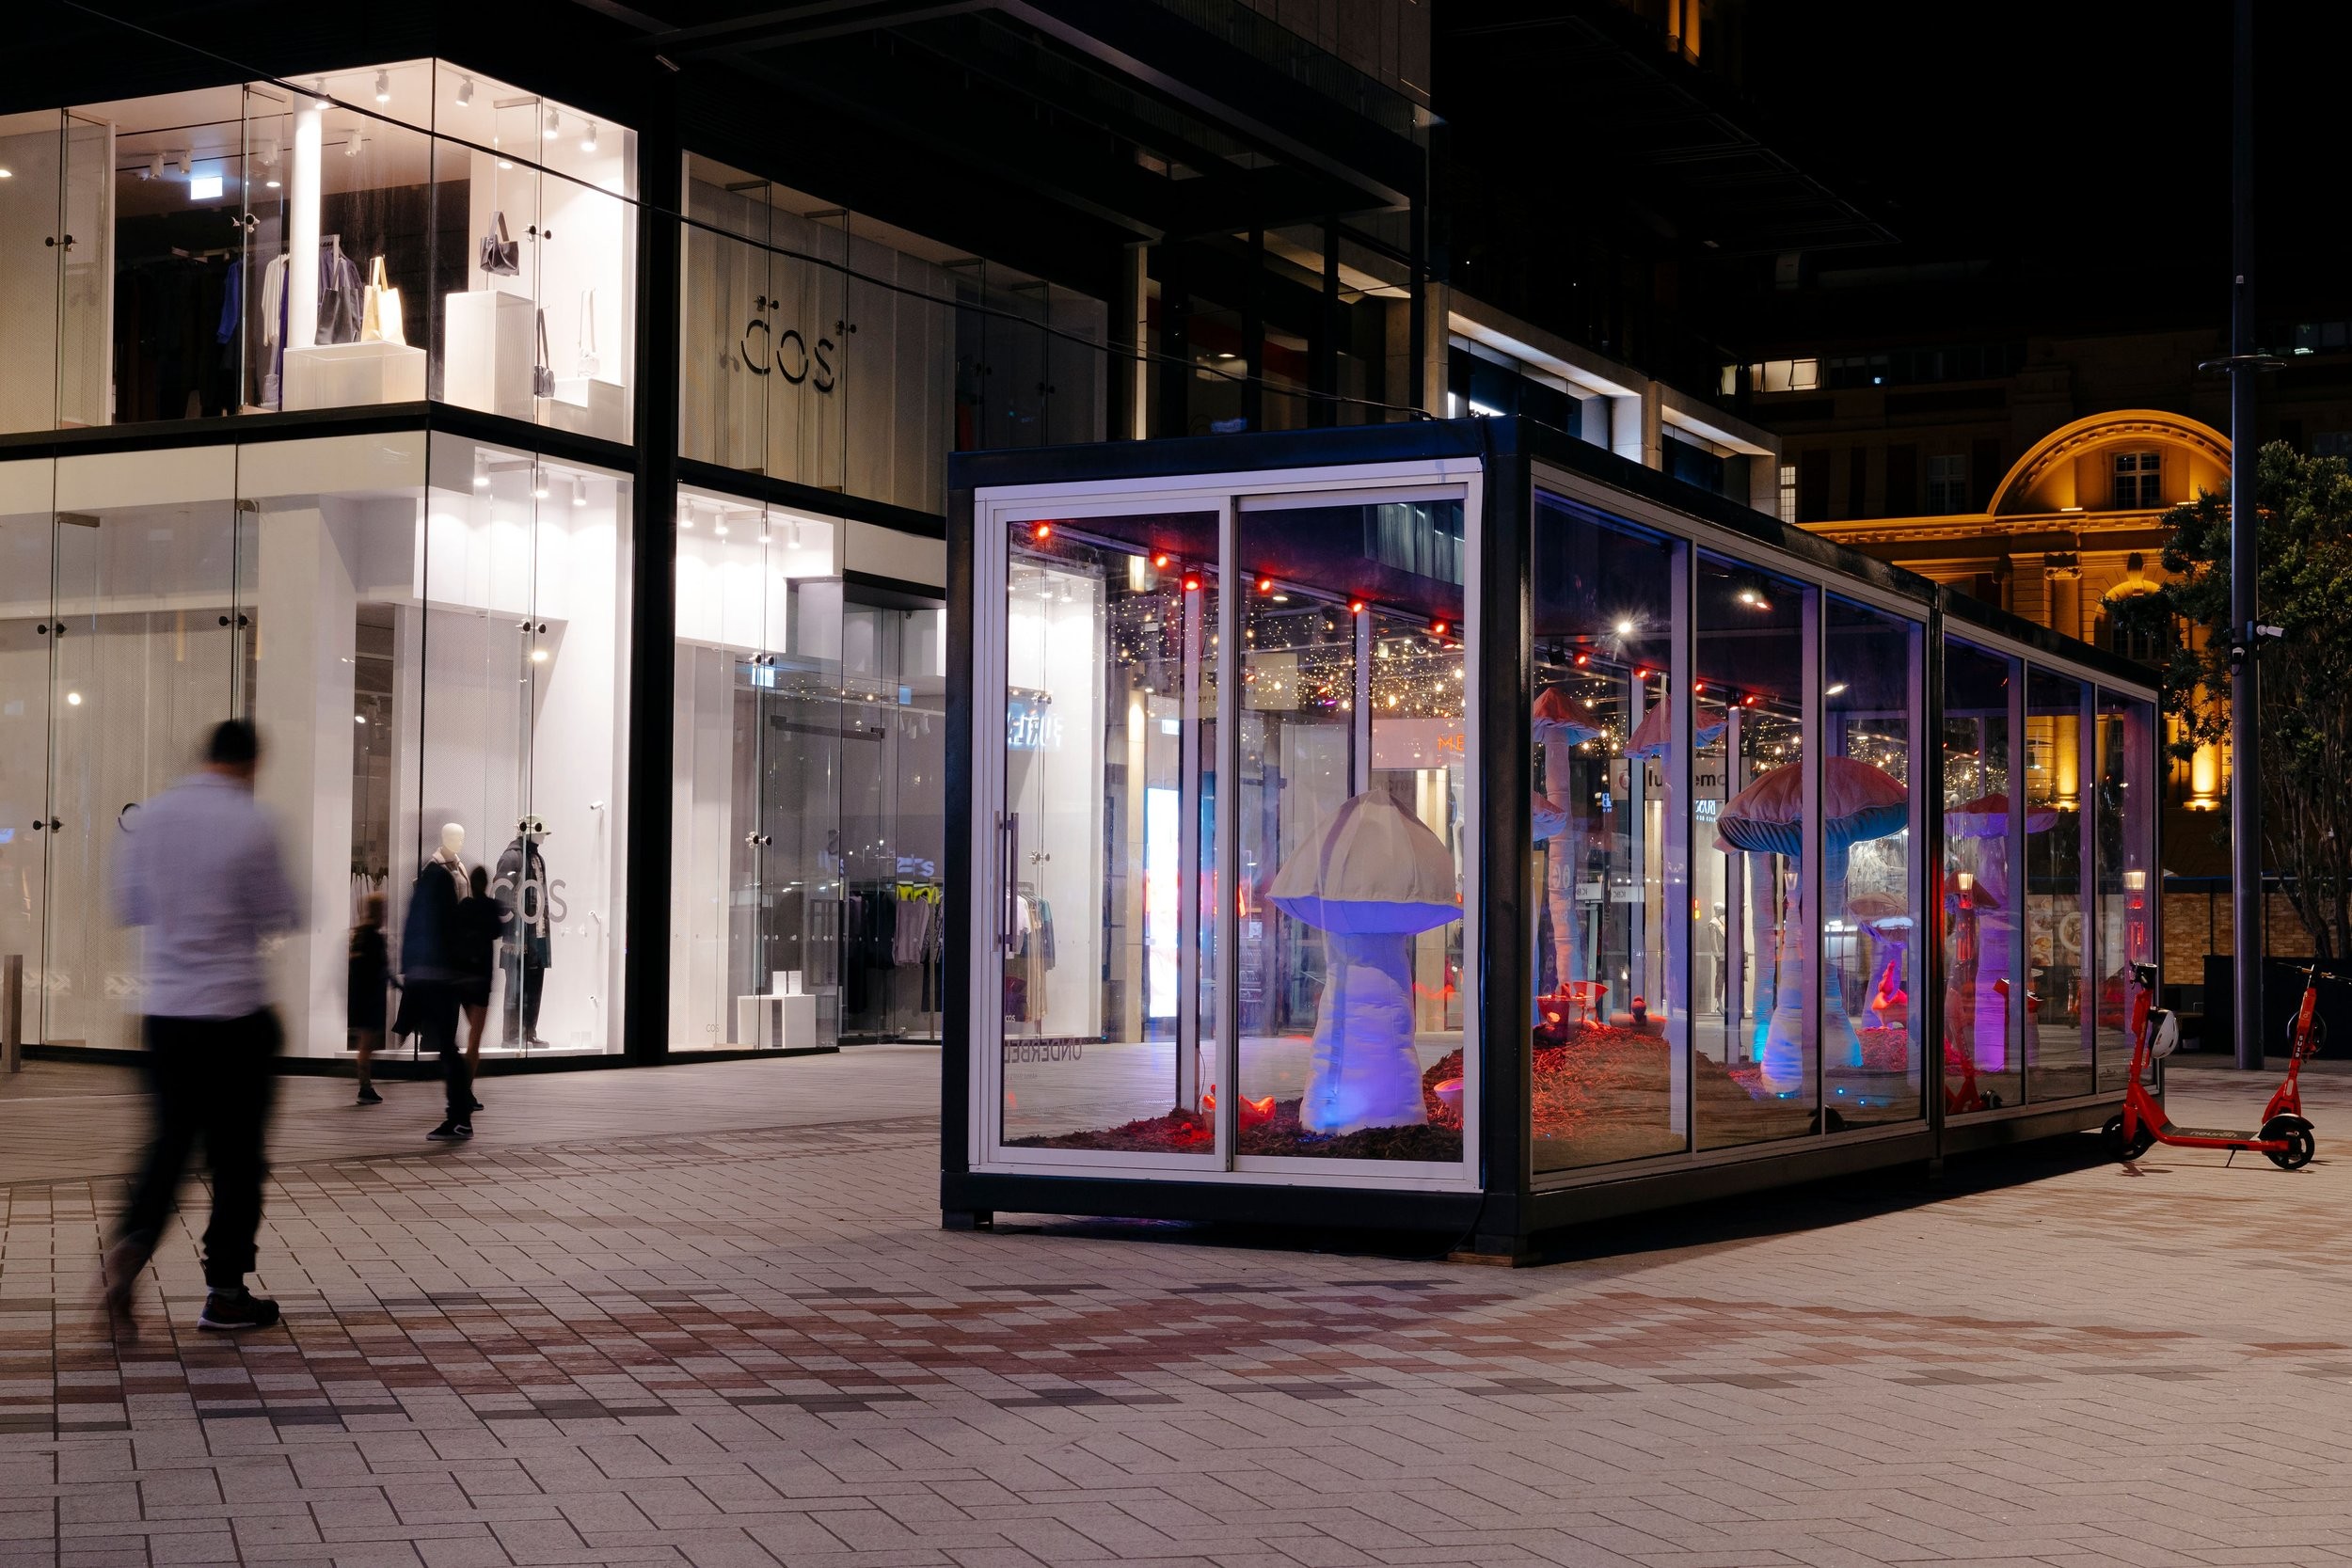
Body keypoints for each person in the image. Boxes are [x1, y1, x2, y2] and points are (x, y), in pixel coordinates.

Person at [102, 720, 299, 1334]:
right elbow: (283, 911)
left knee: (169, 1144)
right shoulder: (252, 820)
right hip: (235, 1012)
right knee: (238, 1157)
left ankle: (132, 1244)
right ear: (252, 762)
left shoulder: (153, 818)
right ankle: (225, 1290)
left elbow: (128, 907)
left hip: (166, 1013)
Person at [400, 847, 470, 1141]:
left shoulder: (433, 880)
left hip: (434, 975)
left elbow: (424, 931)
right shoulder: (437, 879)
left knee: (446, 1047)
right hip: (437, 975)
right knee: (446, 1046)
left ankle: (460, 1116)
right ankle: (460, 1113)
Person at [454, 865, 499, 1110]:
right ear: (487, 883)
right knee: (474, 1040)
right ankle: (466, 1090)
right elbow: (495, 931)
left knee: (472, 1035)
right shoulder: (490, 907)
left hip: (463, 979)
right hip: (481, 980)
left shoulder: (463, 908)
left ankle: (464, 1089)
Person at [348, 893, 390, 1104]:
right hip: (370, 998)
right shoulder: (372, 936)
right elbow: (378, 968)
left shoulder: (360, 935)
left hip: (363, 997)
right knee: (367, 1045)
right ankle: (365, 1087)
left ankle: (366, 1085)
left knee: (366, 1044)